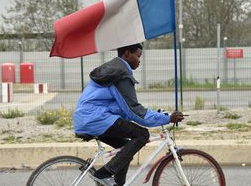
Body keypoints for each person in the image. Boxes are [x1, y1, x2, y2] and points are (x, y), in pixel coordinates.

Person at [73, 43, 184, 186]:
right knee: (142, 134)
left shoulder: (113, 71)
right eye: (138, 56)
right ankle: (104, 174)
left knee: (125, 149)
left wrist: (157, 115)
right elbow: (134, 111)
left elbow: (125, 108)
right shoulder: (120, 75)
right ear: (127, 54)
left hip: (88, 118)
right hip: (96, 118)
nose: (139, 60)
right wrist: (167, 118)